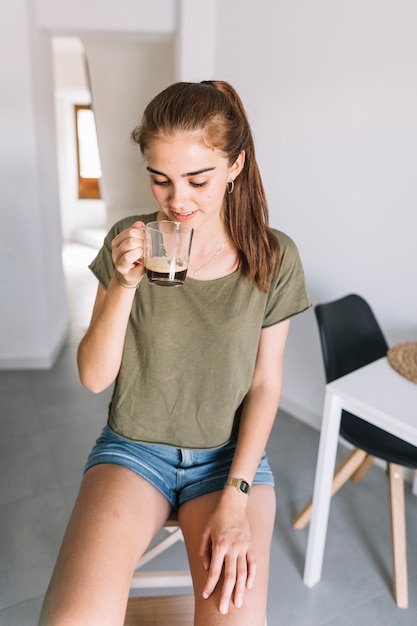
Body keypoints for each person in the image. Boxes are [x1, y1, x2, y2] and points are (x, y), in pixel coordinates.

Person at [39, 80, 310, 626]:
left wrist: (235, 501)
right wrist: (123, 284)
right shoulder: (128, 239)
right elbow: (93, 378)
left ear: (235, 166)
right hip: (135, 450)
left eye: (197, 179)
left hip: (229, 461)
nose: (177, 200)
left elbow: (264, 385)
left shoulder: (273, 257)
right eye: (160, 180)